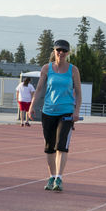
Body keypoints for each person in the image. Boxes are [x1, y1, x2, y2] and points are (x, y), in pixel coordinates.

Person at [28, 40, 82, 192]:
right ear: (54, 50)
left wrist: (76, 111)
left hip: (66, 111)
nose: (61, 53)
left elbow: (78, 92)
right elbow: (39, 89)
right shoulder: (46, 68)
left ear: (68, 53)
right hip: (48, 111)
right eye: (59, 50)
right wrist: (32, 106)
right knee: (49, 147)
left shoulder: (73, 70)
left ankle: (59, 177)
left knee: (62, 145)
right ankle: (51, 176)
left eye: (64, 50)